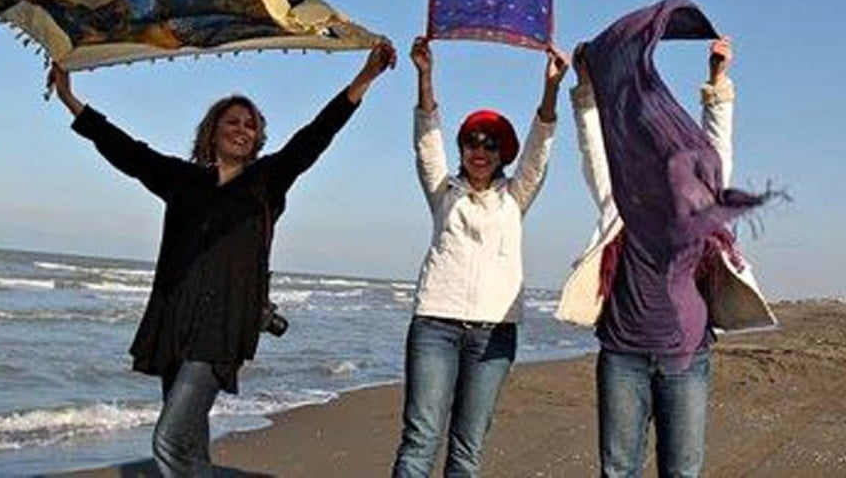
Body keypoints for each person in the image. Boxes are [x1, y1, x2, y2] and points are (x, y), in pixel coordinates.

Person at [47, 41, 396, 477]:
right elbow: (127, 151)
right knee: (191, 443)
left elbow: (316, 135)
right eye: (232, 121)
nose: (241, 130)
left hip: (224, 326)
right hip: (174, 321)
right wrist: (70, 99)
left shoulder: (267, 180)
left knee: (169, 439)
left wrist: (365, 77)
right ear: (212, 131)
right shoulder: (182, 179)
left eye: (250, 125)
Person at [558, 33, 775, 478]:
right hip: (623, 356)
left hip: (687, 358)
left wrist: (718, 81)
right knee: (619, 470)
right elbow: (594, 146)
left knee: (683, 471)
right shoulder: (620, 199)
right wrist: (585, 89)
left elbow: (718, 146)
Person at [392, 36, 567, 477]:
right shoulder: (443, 192)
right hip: (435, 326)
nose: (480, 151)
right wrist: (425, 76)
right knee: (420, 440)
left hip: (495, 334)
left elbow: (539, 148)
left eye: (491, 144)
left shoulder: (515, 196)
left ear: (501, 153)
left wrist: (551, 88)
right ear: (462, 149)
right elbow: (426, 141)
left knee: (467, 450)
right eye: (472, 141)